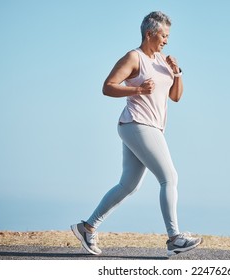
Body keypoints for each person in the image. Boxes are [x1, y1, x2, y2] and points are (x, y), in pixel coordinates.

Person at [71, 11, 202, 257]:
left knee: (128, 185)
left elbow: (175, 97)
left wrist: (177, 73)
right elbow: (107, 87)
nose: (167, 40)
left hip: (151, 126)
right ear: (149, 34)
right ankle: (174, 238)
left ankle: (87, 227)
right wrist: (138, 89)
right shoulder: (134, 57)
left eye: (168, 36)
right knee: (169, 178)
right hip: (136, 123)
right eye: (164, 35)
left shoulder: (163, 60)